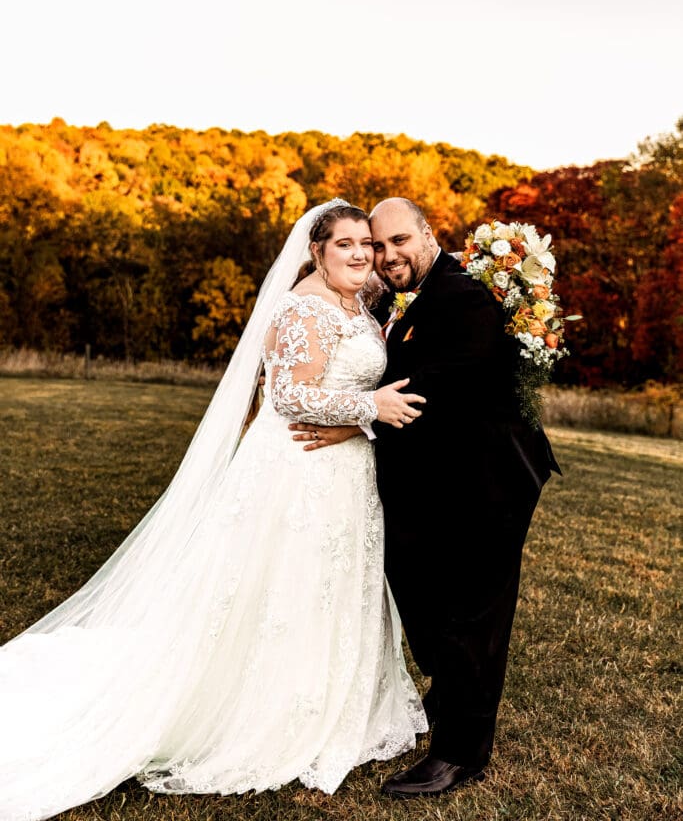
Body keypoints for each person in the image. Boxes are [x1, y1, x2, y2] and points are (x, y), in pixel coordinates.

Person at [0, 198, 429, 821]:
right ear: (317, 251)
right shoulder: (300, 308)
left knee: (330, 585)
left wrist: (362, 417)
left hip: (343, 469)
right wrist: (370, 409)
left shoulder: (360, 303)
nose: (363, 253)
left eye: (368, 242)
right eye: (346, 244)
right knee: (282, 585)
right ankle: (270, 710)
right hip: (297, 470)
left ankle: (336, 699)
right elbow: (287, 395)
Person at [291, 197, 561, 799]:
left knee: (472, 615)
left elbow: (429, 392)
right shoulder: (403, 295)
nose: (387, 256)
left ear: (429, 234)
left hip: (486, 482)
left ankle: (460, 755)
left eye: (398, 242)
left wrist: (351, 422)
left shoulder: (462, 297)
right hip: (434, 479)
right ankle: (450, 703)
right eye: (378, 246)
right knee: (423, 599)